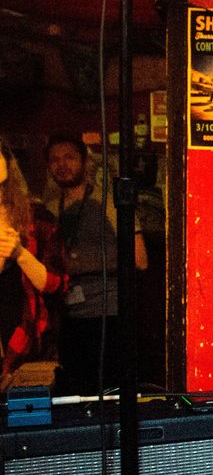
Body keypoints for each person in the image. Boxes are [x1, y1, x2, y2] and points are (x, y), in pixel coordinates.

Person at [43, 135, 147, 395]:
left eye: (69, 157)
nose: (62, 165)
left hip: (109, 316)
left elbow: (140, 260)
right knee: (74, 398)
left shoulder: (113, 203)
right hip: (66, 320)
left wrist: (77, 264)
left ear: (86, 163)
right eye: (54, 160)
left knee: (110, 394)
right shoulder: (47, 210)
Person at [0, 140, 63, 381]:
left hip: (25, 341)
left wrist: (19, 253)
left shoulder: (36, 217)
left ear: (8, 163)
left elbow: (56, 284)